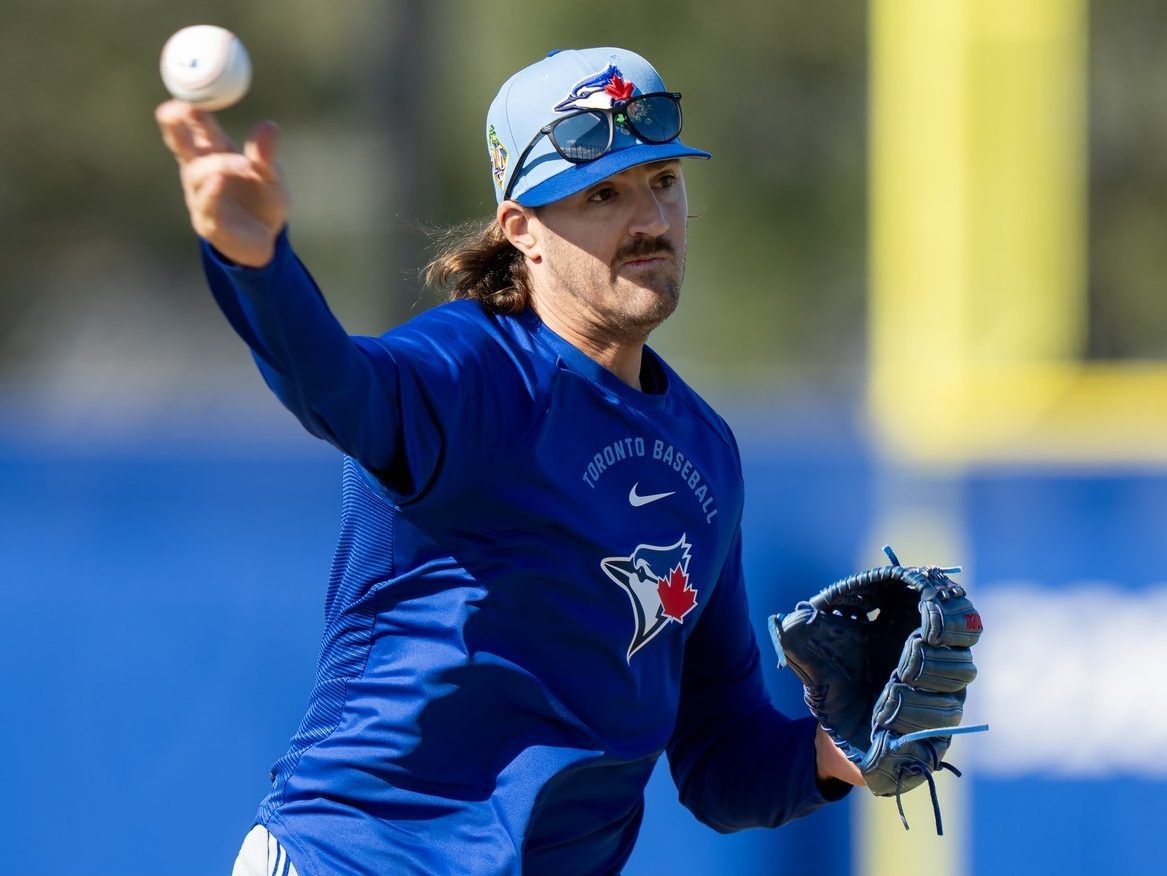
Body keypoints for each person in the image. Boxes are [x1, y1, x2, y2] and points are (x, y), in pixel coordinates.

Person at [156, 46, 862, 876]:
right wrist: (257, 267)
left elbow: (718, 759)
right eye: (602, 193)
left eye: (661, 182)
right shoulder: (470, 374)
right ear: (520, 228)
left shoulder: (702, 454)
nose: (649, 221)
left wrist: (838, 751)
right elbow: (334, 386)